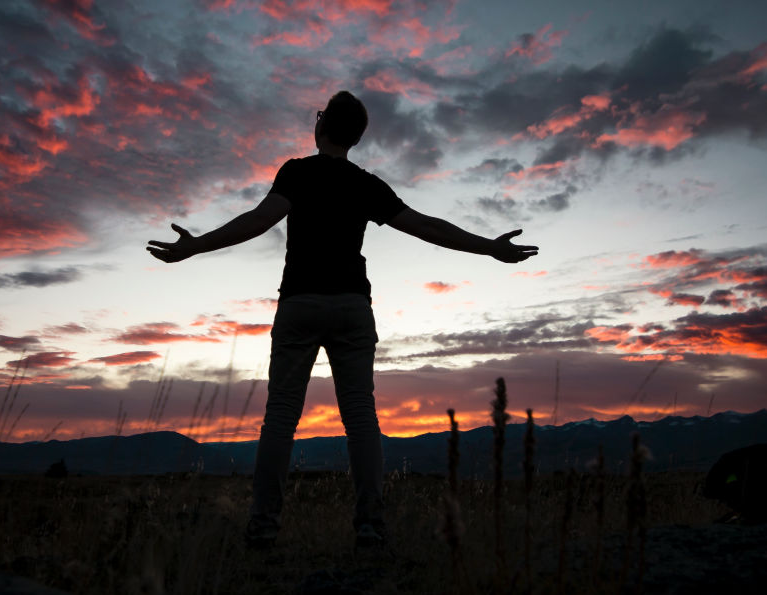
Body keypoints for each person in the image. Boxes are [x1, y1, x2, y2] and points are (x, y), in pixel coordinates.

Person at [147, 91, 537, 549]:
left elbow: (257, 221)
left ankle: (263, 526)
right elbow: (428, 226)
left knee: (280, 418)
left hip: (300, 304)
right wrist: (489, 247)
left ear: (321, 126)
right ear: (355, 137)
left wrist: (196, 246)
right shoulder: (366, 184)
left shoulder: (296, 172)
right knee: (361, 418)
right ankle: (370, 526)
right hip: (351, 307)